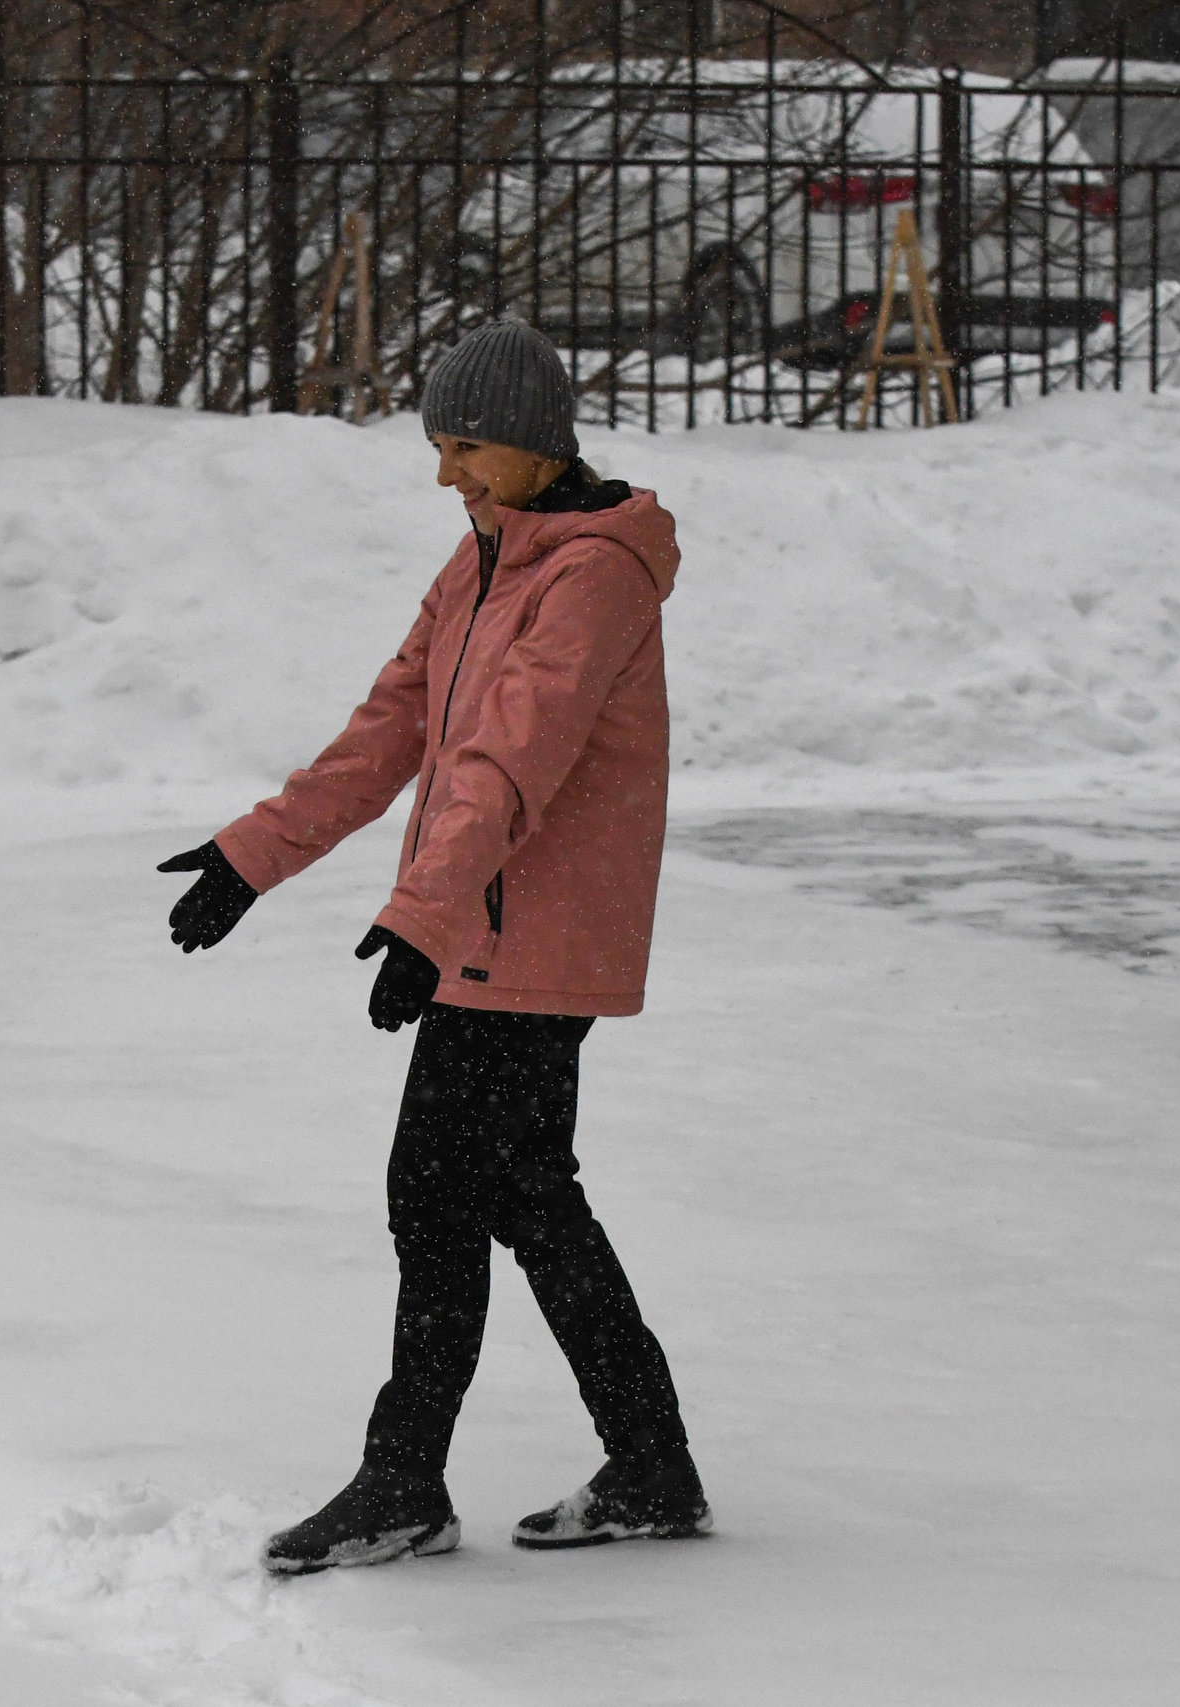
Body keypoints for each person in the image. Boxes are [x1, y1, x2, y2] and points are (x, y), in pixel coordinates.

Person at [158, 319, 705, 1575]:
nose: (444, 473)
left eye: (464, 446)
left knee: (441, 1194)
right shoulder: (482, 563)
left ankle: (406, 1483)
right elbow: (393, 724)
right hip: (485, 931)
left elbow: (511, 759)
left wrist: (421, 916)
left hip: (530, 937)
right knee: (522, 1199)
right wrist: (254, 853)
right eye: (437, 446)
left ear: (529, 443)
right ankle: (647, 1463)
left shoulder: (591, 576)